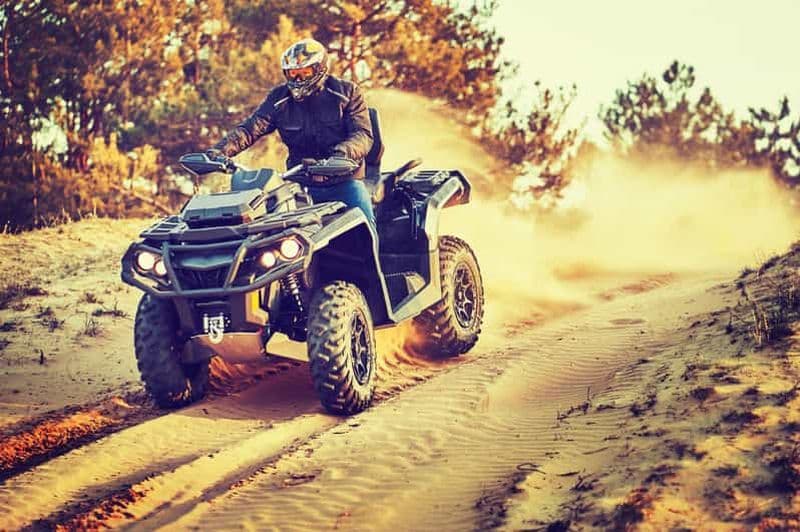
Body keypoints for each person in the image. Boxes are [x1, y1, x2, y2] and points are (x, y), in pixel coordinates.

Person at [207, 38, 376, 228]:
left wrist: (341, 155)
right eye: (293, 73)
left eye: (305, 72)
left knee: (365, 226)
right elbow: (250, 129)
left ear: (320, 69)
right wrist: (219, 152)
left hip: (343, 182)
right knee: (265, 230)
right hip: (298, 186)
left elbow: (362, 134)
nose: (298, 79)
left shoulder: (347, 92)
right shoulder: (279, 99)